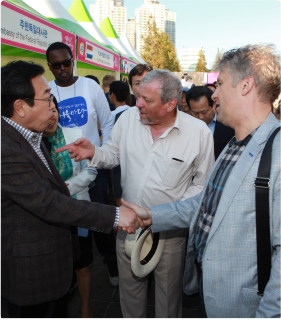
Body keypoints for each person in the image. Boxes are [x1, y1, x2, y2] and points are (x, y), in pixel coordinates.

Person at [123, 44, 281, 319]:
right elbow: (208, 204)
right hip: (214, 297)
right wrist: (151, 215)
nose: (214, 94)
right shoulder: (234, 144)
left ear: (246, 85)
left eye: (219, 84)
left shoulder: (276, 152)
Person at [56, 70, 215, 319]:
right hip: (127, 227)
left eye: (147, 100)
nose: (137, 104)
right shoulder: (129, 118)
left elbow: (201, 188)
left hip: (170, 233)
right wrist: (94, 153)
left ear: (170, 104)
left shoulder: (198, 134)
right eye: (138, 96)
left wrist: (161, 215)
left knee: (168, 301)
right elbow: (113, 154)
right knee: (130, 296)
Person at [0, 60, 138, 319]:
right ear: (20, 106)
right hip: (29, 275)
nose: (53, 105)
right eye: (46, 98)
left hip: (51, 266)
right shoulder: (5, 148)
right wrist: (116, 216)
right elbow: (48, 202)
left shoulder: (31, 135)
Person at [46, 42, 119, 288]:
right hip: (61, 172)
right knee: (66, 225)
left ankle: (112, 265)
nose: (63, 68)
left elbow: (107, 122)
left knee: (99, 221)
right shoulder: (46, 90)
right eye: (56, 65)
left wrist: (104, 153)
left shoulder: (90, 86)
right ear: (50, 67)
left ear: (73, 60)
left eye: (66, 62)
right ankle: (77, 271)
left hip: (93, 168)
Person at [42, 98, 97, 320]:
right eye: (47, 110)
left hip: (77, 207)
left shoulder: (75, 135)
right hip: (47, 215)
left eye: (54, 109)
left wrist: (65, 187)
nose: (51, 115)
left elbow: (92, 171)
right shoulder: (31, 142)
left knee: (81, 265)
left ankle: (86, 309)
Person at [186, 86, 235, 160]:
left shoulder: (229, 124)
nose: (201, 117)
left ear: (214, 104)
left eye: (204, 112)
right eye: (195, 113)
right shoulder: (186, 126)